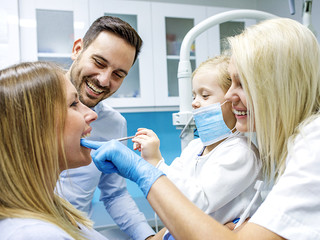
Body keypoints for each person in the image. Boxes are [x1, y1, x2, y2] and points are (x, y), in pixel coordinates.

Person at [82, 18, 320, 240]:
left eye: (241, 84)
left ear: (276, 84)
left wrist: (146, 170)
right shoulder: (294, 143)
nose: (228, 97)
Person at [132, 55, 261, 234]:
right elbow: (171, 191)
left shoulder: (241, 153)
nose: (194, 102)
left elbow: (197, 203)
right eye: (194, 95)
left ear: (232, 101)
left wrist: (157, 162)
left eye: (205, 95)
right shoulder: (195, 147)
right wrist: (150, 160)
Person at [57, 16, 155, 240]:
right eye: (99, 63)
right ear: (77, 49)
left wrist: (147, 237)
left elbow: (115, 194)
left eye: (118, 74)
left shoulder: (114, 124)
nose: (103, 80)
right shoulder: (26, 105)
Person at [0, 61, 102, 239]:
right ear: (33, 130)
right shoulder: (33, 234)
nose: (92, 114)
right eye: (73, 104)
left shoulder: (53, 207)